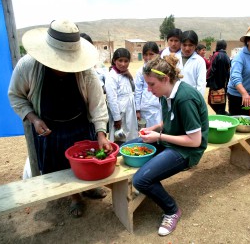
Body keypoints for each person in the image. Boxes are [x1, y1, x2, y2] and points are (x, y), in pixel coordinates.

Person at [8, 19, 113, 218]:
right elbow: (16, 96)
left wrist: (101, 133)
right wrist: (33, 119)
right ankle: (75, 197)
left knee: (87, 161)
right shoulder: (28, 66)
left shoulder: (85, 71)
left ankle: (88, 188)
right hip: (48, 129)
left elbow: (98, 104)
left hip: (79, 125)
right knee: (58, 166)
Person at [125, 54, 209, 236]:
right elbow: (170, 121)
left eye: (151, 84)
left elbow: (195, 141)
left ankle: (172, 211)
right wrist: (155, 129)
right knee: (129, 146)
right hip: (172, 138)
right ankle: (149, 185)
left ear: (165, 79)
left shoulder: (185, 98)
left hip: (188, 150)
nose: (148, 90)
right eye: (147, 84)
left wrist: (159, 136)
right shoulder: (165, 93)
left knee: (141, 180)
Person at [105, 48, 138, 145]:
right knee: (119, 136)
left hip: (129, 110)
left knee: (130, 135)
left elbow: (133, 89)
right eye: (120, 60)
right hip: (120, 112)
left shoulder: (125, 74)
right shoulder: (111, 76)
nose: (123, 64)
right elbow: (111, 99)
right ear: (114, 61)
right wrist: (117, 118)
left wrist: (130, 77)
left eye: (126, 61)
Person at [135, 41, 162, 128]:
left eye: (151, 54)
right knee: (148, 131)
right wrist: (137, 110)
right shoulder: (140, 71)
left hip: (160, 106)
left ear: (157, 54)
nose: (148, 57)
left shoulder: (162, 69)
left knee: (160, 130)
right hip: (147, 107)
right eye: (145, 54)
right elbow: (138, 90)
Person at [177, 30, 207, 96]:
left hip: (191, 99)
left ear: (196, 45)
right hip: (175, 98)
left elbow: (201, 84)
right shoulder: (175, 58)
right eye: (184, 45)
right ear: (180, 44)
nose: (187, 48)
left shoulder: (199, 61)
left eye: (190, 45)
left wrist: (197, 101)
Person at [206, 40, 231, 115]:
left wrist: (207, 80)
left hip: (215, 84)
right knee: (221, 103)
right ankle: (222, 113)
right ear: (225, 47)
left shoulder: (216, 55)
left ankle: (223, 114)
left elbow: (211, 70)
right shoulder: (227, 57)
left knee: (212, 101)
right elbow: (228, 71)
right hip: (223, 85)